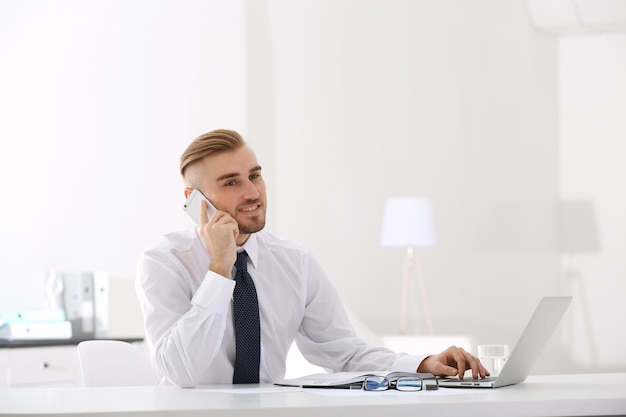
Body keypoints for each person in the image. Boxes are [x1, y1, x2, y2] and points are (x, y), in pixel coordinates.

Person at [135, 129, 489, 387]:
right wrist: (219, 270)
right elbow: (180, 372)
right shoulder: (164, 262)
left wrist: (424, 363)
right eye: (231, 183)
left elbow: (344, 354)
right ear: (195, 199)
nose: (253, 192)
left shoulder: (294, 262)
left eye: (255, 176)